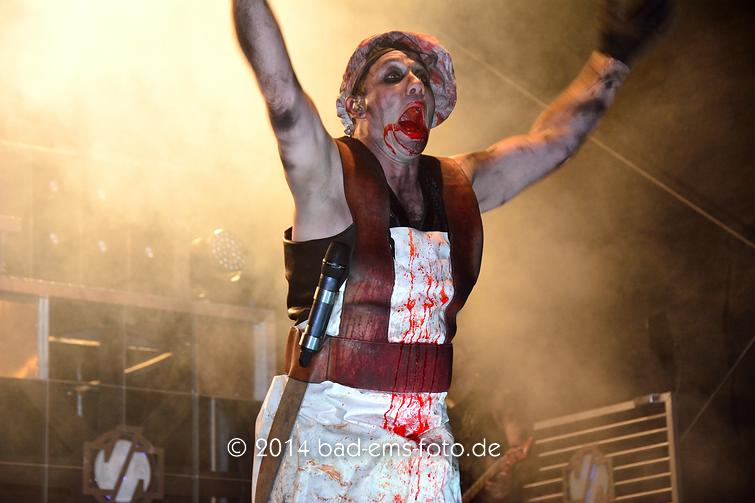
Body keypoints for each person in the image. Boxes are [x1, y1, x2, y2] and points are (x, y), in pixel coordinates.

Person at [233, 0, 671, 500]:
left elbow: (552, 141)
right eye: (393, 75)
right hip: (328, 432)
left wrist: (611, 58)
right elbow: (282, 95)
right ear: (356, 105)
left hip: (424, 435)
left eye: (421, 77)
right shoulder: (328, 176)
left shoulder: (458, 185)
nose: (414, 85)